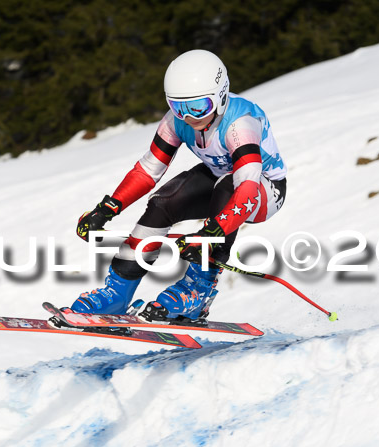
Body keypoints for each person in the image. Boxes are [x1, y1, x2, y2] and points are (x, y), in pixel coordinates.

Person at [73, 49, 287, 322]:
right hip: (221, 176)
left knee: (226, 186)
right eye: (178, 107)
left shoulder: (240, 124)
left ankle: (197, 290)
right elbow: (148, 171)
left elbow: (245, 186)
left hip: (264, 189)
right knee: (163, 203)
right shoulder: (175, 122)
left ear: (221, 95)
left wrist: (212, 234)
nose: (188, 117)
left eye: (198, 107)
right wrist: (106, 209)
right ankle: (118, 292)